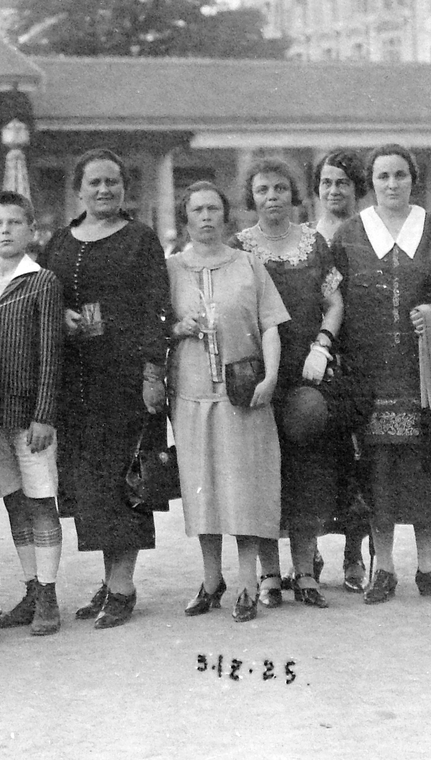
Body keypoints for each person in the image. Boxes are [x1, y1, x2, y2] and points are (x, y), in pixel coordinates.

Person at [331, 145, 431, 605]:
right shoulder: (350, 234)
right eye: (383, 176)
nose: (392, 184)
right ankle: (384, 568)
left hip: (423, 372)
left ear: (413, 179)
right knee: (379, 470)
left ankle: (428, 567)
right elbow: (333, 304)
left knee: (424, 466)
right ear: (371, 182)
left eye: (400, 175)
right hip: (369, 373)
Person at [39, 148, 169, 629]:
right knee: (90, 487)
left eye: (112, 182)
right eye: (94, 183)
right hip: (77, 384)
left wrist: (153, 375)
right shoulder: (58, 241)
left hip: (126, 382)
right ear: (79, 190)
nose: (104, 190)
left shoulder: (140, 239)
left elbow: (158, 308)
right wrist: (58, 315)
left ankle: (123, 586)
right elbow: (39, 294)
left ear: (124, 187)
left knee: (126, 484)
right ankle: (109, 579)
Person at [170, 182, 290, 622]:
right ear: (186, 217)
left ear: (226, 216)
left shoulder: (249, 265)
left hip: (245, 394)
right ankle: (209, 578)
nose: (206, 217)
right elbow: (156, 329)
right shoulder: (172, 269)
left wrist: (272, 377)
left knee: (243, 490)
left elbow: (271, 325)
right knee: (202, 489)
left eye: (214, 209)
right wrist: (180, 327)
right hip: (191, 394)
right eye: (197, 210)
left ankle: (246, 582)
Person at [229, 162, 344, 610]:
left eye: (280, 188)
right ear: (251, 197)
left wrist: (323, 344)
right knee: (262, 475)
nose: (272, 196)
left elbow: (334, 302)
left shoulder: (314, 243)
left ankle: (307, 572)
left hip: (307, 371)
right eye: (262, 189)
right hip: (258, 373)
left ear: (294, 194)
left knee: (307, 471)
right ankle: (270, 574)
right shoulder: (240, 246)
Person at [0, 191, 66, 636]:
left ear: (31, 231)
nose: (5, 231)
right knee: (13, 503)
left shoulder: (41, 281)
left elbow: (51, 353)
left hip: (31, 417)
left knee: (41, 501)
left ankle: (48, 593)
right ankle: (29, 588)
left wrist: (44, 414)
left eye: (14, 223)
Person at [312, 149, 370, 591]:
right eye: (327, 183)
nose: (334, 191)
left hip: (357, 358)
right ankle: (307, 552)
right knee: (312, 456)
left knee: (357, 461)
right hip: (312, 359)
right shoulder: (306, 238)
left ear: (357, 189)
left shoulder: (365, 236)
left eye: (343, 183)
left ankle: (354, 555)